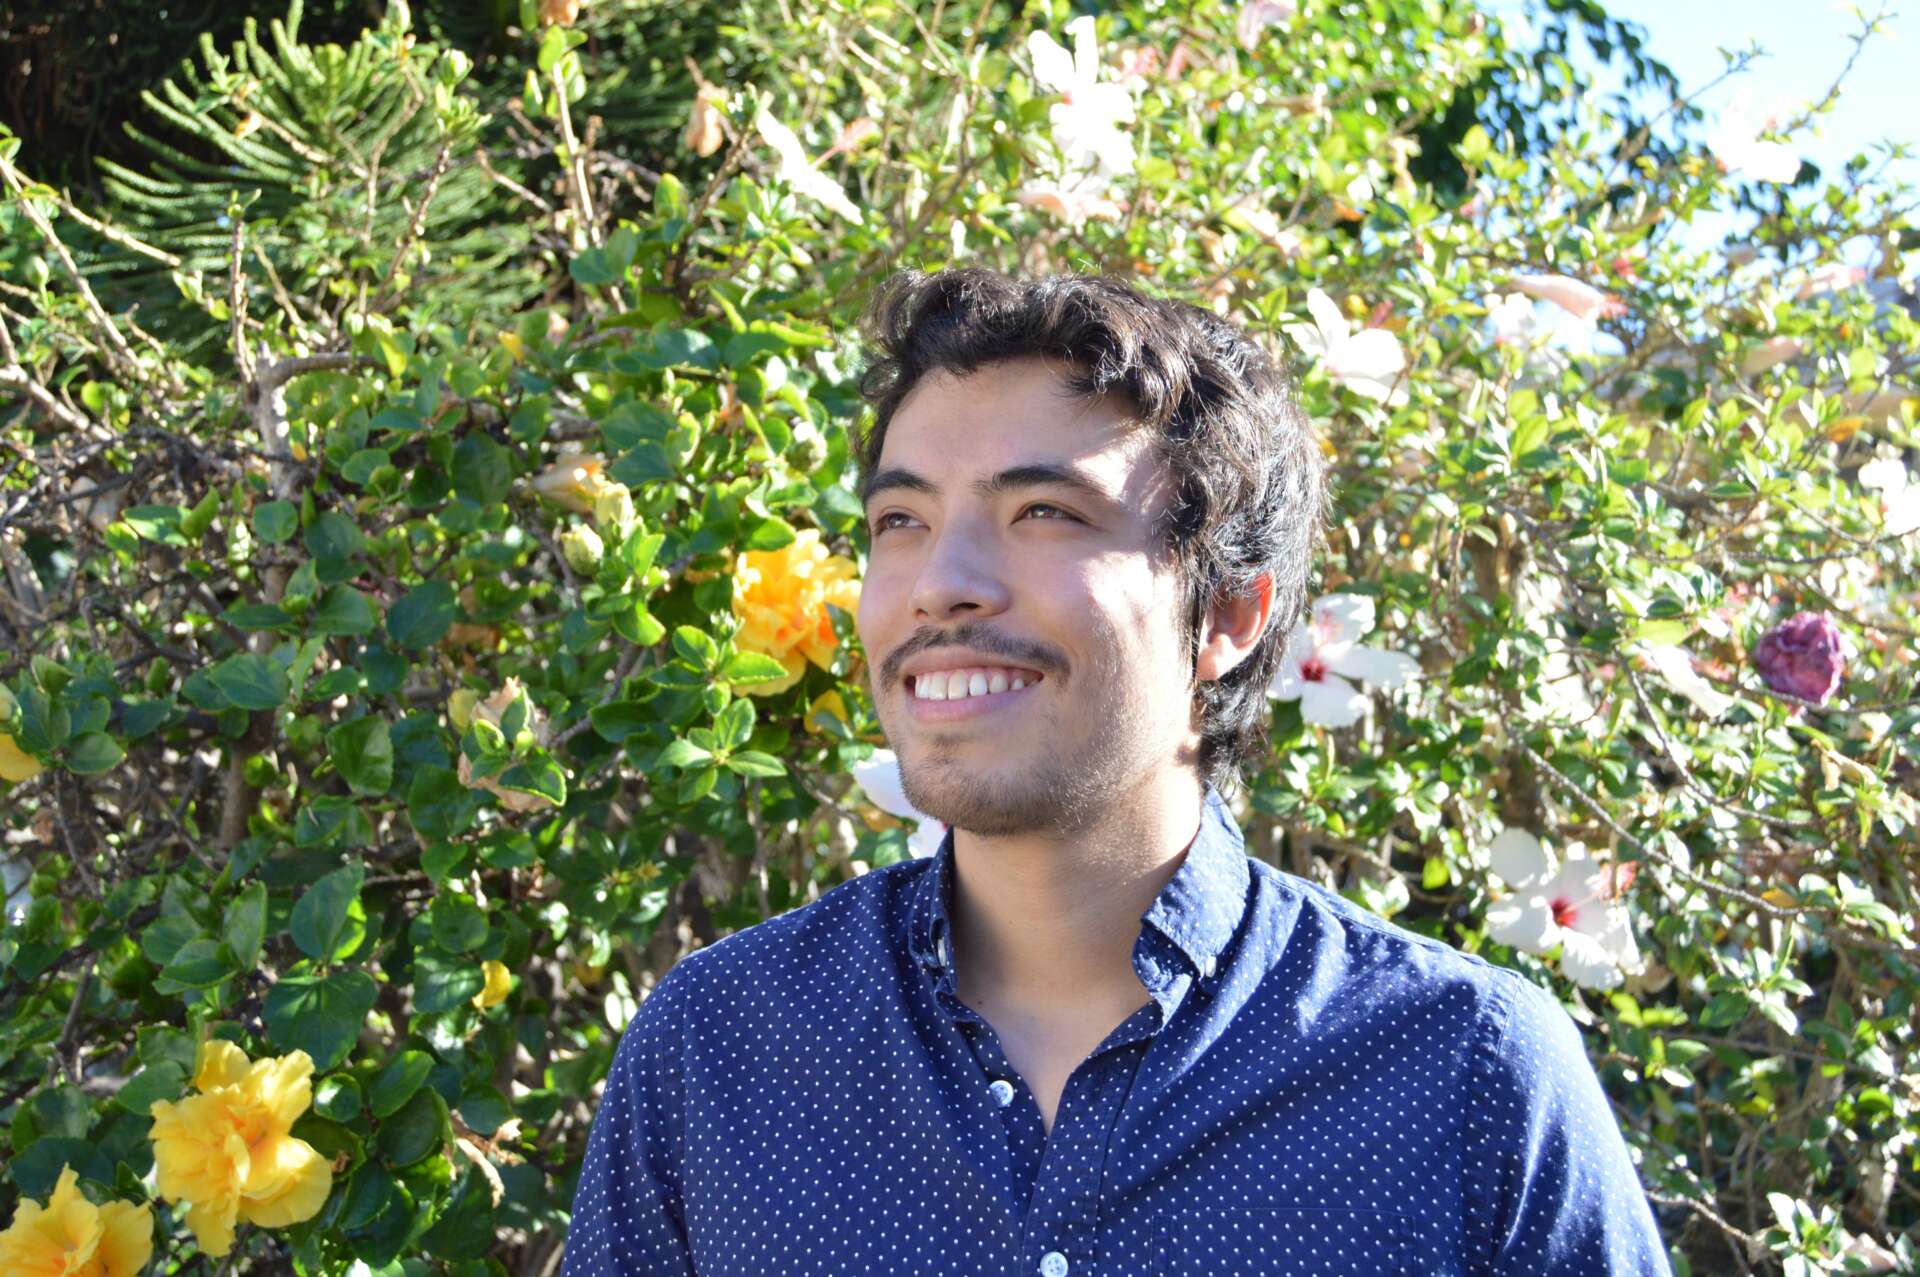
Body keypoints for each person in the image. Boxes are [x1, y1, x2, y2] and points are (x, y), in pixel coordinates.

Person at [559, 269, 1673, 1276]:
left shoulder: (1464, 1077)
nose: (940, 582)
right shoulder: (720, 1047)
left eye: (1043, 512)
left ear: (1226, 612)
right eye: (901, 518)